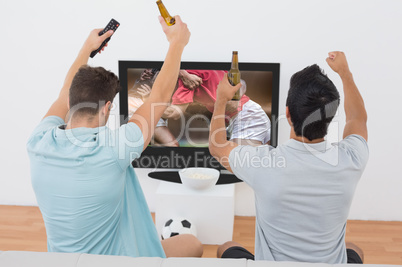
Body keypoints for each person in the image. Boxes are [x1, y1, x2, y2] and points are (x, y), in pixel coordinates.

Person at [26, 16, 202, 258]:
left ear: (70, 102)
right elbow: (159, 95)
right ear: (106, 108)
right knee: (193, 245)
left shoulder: (38, 142)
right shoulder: (115, 149)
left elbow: (62, 95)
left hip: (61, 261)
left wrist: (86, 49)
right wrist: (177, 43)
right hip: (119, 260)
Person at [209, 52, 368, 264]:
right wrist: (345, 74)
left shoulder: (263, 164)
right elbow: (358, 118)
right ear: (330, 118)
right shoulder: (351, 159)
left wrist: (220, 100)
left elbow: (217, 147)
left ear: (288, 115)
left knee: (226, 247)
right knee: (354, 248)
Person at [165, 69, 271, 146]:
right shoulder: (203, 69)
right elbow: (241, 83)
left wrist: (151, 108)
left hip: (246, 118)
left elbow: (176, 112)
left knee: (241, 163)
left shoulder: (187, 81)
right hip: (253, 112)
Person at [128, 69, 179, 147]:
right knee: (173, 146)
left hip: (137, 103)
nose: (147, 72)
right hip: (139, 104)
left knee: (158, 145)